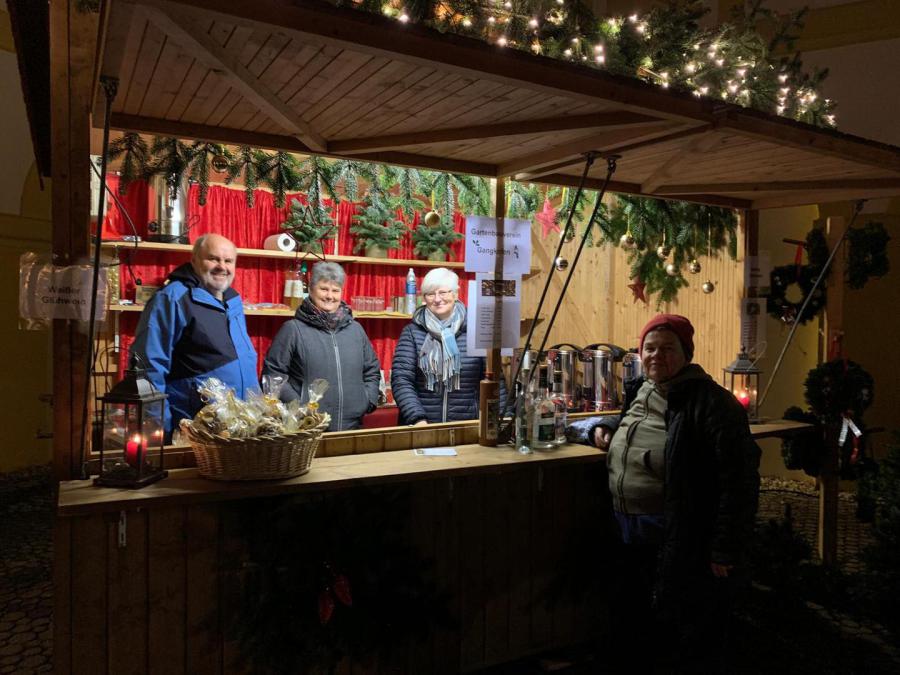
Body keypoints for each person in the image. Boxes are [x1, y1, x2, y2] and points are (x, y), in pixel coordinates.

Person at [568, 314, 761, 674]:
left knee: (673, 626)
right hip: (626, 528)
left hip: (676, 532)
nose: (657, 355)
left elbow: (739, 480)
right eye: (650, 348)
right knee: (631, 618)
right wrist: (604, 427)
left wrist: (725, 547)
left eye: (668, 348)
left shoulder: (713, 404)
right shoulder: (642, 389)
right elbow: (633, 422)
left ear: (686, 353)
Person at [130, 233, 259, 440]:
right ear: (194, 260)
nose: (222, 266)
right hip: (196, 432)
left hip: (240, 428)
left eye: (228, 261)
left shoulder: (233, 299)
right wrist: (159, 428)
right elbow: (148, 366)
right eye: (213, 258)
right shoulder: (173, 298)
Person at [262, 261, 380, 431]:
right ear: (311, 290)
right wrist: (300, 409)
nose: (330, 296)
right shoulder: (292, 330)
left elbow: (372, 369)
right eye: (324, 289)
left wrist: (367, 400)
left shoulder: (356, 330)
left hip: (352, 427)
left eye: (335, 290)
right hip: (306, 429)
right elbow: (273, 375)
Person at [391, 267, 502, 425]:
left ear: (455, 294)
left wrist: (502, 419)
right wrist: (417, 418)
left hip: (466, 426)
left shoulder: (476, 330)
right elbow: (402, 380)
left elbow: (495, 380)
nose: (437, 299)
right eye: (430, 294)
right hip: (421, 426)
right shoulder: (412, 332)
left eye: (443, 292)